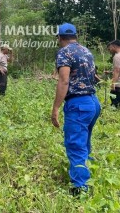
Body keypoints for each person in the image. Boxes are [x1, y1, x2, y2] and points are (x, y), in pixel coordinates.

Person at [51, 23, 101, 196]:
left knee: (75, 145)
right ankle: (90, 173)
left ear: (60, 37)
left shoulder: (64, 52)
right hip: (93, 102)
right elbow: (95, 77)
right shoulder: (86, 51)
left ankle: (80, 189)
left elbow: (64, 81)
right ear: (75, 36)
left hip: (78, 104)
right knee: (85, 141)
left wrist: (55, 108)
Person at [106, 39, 120, 108]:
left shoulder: (117, 56)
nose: (109, 51)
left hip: (118, 85)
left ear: (114, 46)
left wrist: (113, 84)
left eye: (109, 49)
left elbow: (117, 71)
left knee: (114, 102)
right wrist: (110, 72)